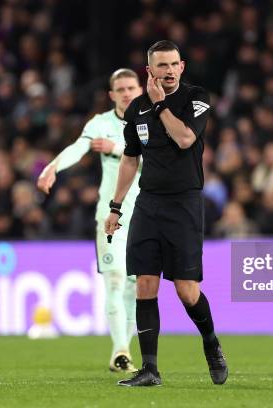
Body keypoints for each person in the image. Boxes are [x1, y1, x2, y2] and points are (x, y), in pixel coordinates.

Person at [105, 40, 228, 387]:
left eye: (174, 64)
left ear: (182, 66)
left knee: (187, 291)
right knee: (145, 283)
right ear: (150, 71)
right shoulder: (136, 109)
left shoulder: (197, 98)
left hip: (184, 203)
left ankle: (211, 342)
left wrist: (160, 106)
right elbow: (130, 157)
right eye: (162, 66)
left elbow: (186, 138)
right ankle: (150, 369)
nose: (169, 71)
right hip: (149, 203)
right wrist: (115, 206)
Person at [37, 68, 143, 373]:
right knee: (114, 279)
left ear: (140, 90)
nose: (125, 93)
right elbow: (78, 147)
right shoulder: (100, 124)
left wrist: (117, 149)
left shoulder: (152, 122)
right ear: (112, 95)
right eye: (120, 89)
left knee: (136, 286)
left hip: (147, 217)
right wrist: (53, 167)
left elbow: (156, 163)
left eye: (130, 88)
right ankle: (120, 351)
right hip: (111, 216)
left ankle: (126, 347)